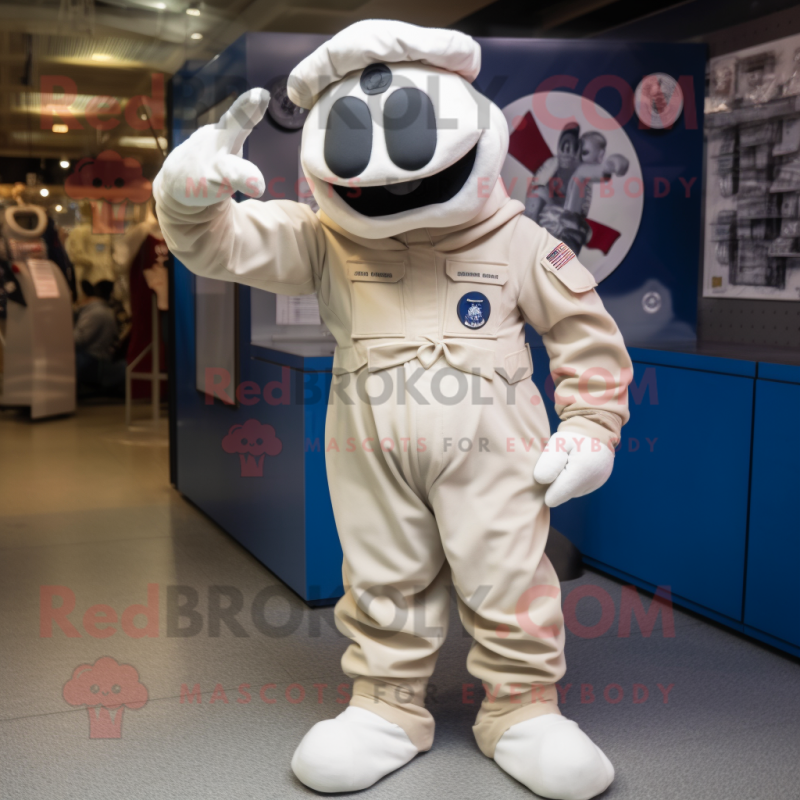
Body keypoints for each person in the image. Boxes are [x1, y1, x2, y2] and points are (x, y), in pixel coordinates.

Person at [154, 20, 631, 800]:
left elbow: (586, 335)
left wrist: (591, 424)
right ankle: (385, 706)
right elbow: (222, 243)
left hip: (498, 454)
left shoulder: (518, 242)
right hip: (371, 454)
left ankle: (522, 708)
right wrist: (188, 198)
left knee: (508, 575)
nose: (390, 174)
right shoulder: (325, 241)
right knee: (380, 577)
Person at [74, 280, 125, 395]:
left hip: (93, 361)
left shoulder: (95, 313)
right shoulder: (100, 310)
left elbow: (78, 339)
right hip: (97, 359)